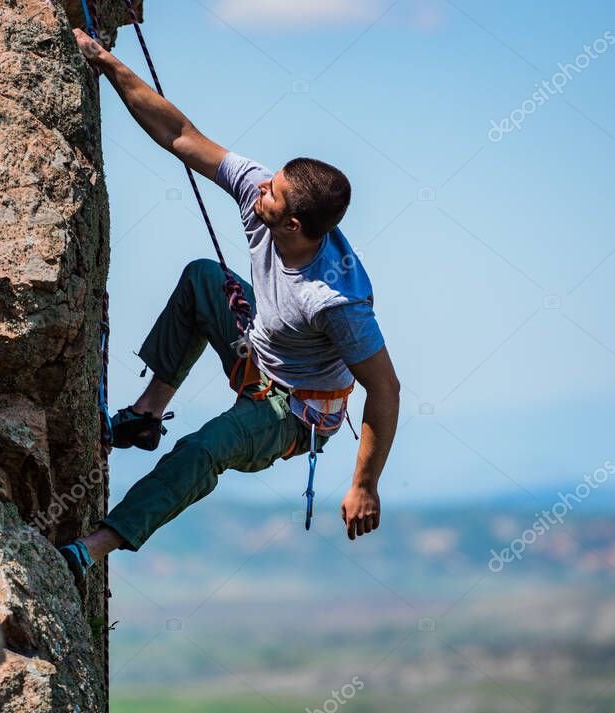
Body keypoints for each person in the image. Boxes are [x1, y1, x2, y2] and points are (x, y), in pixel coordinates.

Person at [60, 27, 400, 589]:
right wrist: (106, 63)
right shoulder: (263, 195)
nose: (260, 186)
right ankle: (147, 415)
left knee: (202, 450)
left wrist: (364, 483)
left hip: (296, 411)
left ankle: (93, 548)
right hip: (260, 351)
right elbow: (180, 134)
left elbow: (384, 389)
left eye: (273, 191)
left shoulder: (334, 299)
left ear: (292, 223)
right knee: (203, 278)